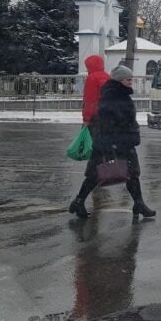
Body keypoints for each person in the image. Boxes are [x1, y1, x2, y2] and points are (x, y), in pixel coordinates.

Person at [70, 65, 156, 218]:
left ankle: (139, 204)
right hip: (113, 142)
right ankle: (79, 201)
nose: (131, 82)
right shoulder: (112, 95)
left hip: (122, 141)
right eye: (128, 80)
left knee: (131, 173)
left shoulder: (119, 94)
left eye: (131, 79)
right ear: (119, 80)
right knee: (96, 174)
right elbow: (109, 122)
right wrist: (113, 144)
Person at [68, 55, 108, 219]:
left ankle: (79, 200)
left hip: (96, 122)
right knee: (103, 161)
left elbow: (90, 101)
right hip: (108, 122)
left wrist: (86, 119)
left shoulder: (92, 79)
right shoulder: (107, 76)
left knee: (96, 162)